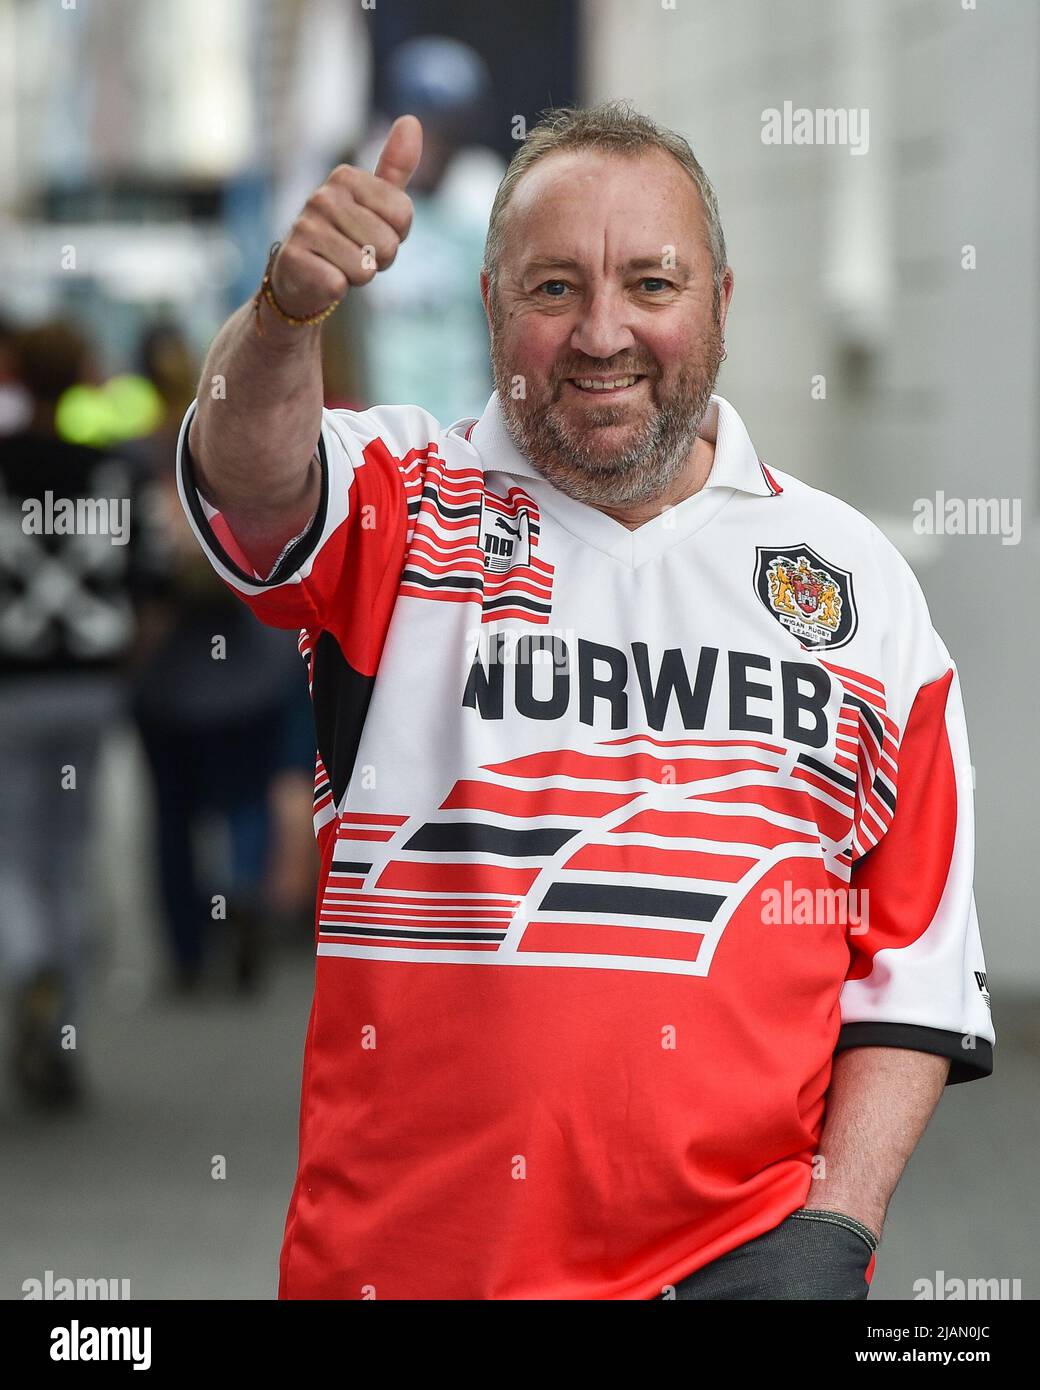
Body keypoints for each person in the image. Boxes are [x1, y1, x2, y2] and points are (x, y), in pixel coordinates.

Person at [175, 102, 994, 1300]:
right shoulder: (400, 498)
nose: (601, 333)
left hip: (738, 1272)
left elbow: (909, 966)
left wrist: (832, 1234)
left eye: (649, 284)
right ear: (490, 308)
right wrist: (284, 316)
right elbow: (253, 475)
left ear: (720, 296)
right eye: (552, 288)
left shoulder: (856, 579)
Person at [0, 320, 165, 1108]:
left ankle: (25, 962)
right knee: (68, 853)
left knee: (11, 849)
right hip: (93, 692)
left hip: (12, 690)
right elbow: (152, 586)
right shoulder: (113, 472)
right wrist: (120, 660)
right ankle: (60, 1024)